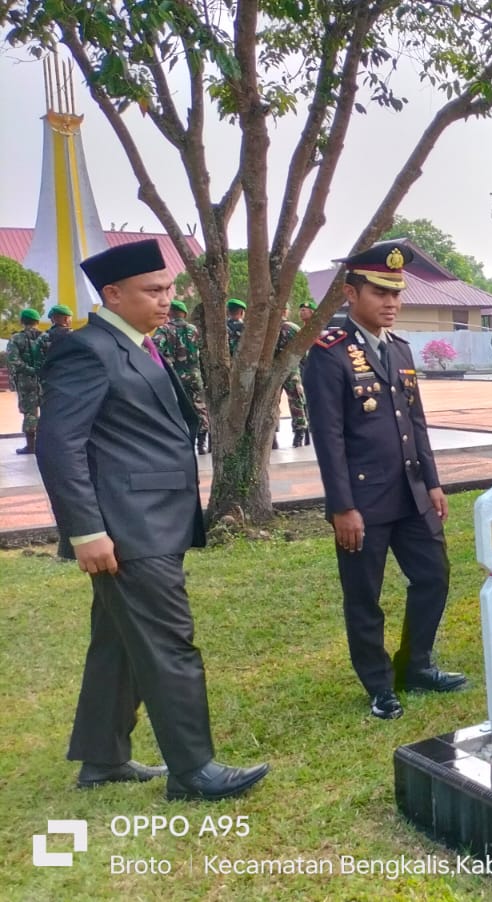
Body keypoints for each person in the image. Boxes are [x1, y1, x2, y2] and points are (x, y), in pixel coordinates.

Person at [38, 239, 269, 801]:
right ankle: (195, 770)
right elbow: (58, 446)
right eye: (153, 291)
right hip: (126, 529)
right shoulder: (87, 350)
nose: (167, 300)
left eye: (168, 289)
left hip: (149, 521)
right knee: (170, 643)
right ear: (112, 295)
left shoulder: (139, 346)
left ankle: (102, 757)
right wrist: (87, 531)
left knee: (118, 642)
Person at [302, 240, 467, 720]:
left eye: (396, 293)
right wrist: (341, 507)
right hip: (363, 501)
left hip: (411, 492)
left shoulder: (399, 349)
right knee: (364, 596)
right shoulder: (329, 354)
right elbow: (328, 439)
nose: (391, 302)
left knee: (433, 577)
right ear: (351, 294)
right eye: (380, 292)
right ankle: (378, 684)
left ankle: (414, 664)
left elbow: (415, 422)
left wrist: (433, 482)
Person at [153, 299, 210, 455]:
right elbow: (205, 353)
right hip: (195, 374)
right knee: (200, 407)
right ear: (184, 314)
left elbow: (155, 348)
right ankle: (202, 443)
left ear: (170, 313)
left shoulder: (164, 330)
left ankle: (185, 443)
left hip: (175, 375)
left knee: (176, 408)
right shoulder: (194, 330)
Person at [7, 307, 47, 454]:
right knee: (47, 412)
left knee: (30, 413)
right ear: (37, 321)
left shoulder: (16, 338)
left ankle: (31, 446)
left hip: (26, 382)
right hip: (44, 381)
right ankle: (47, 444)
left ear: (22, 321)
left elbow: (13, 360)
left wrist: (29, 370)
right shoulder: (45, 336)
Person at [276, 313, 311, 447]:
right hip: (290, 370)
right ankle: (299, 433)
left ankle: (273, 434)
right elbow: (303, 351)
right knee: (296, 402)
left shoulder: (267, 328)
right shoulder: (292, 328)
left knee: (272, 403)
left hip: (274, 372)